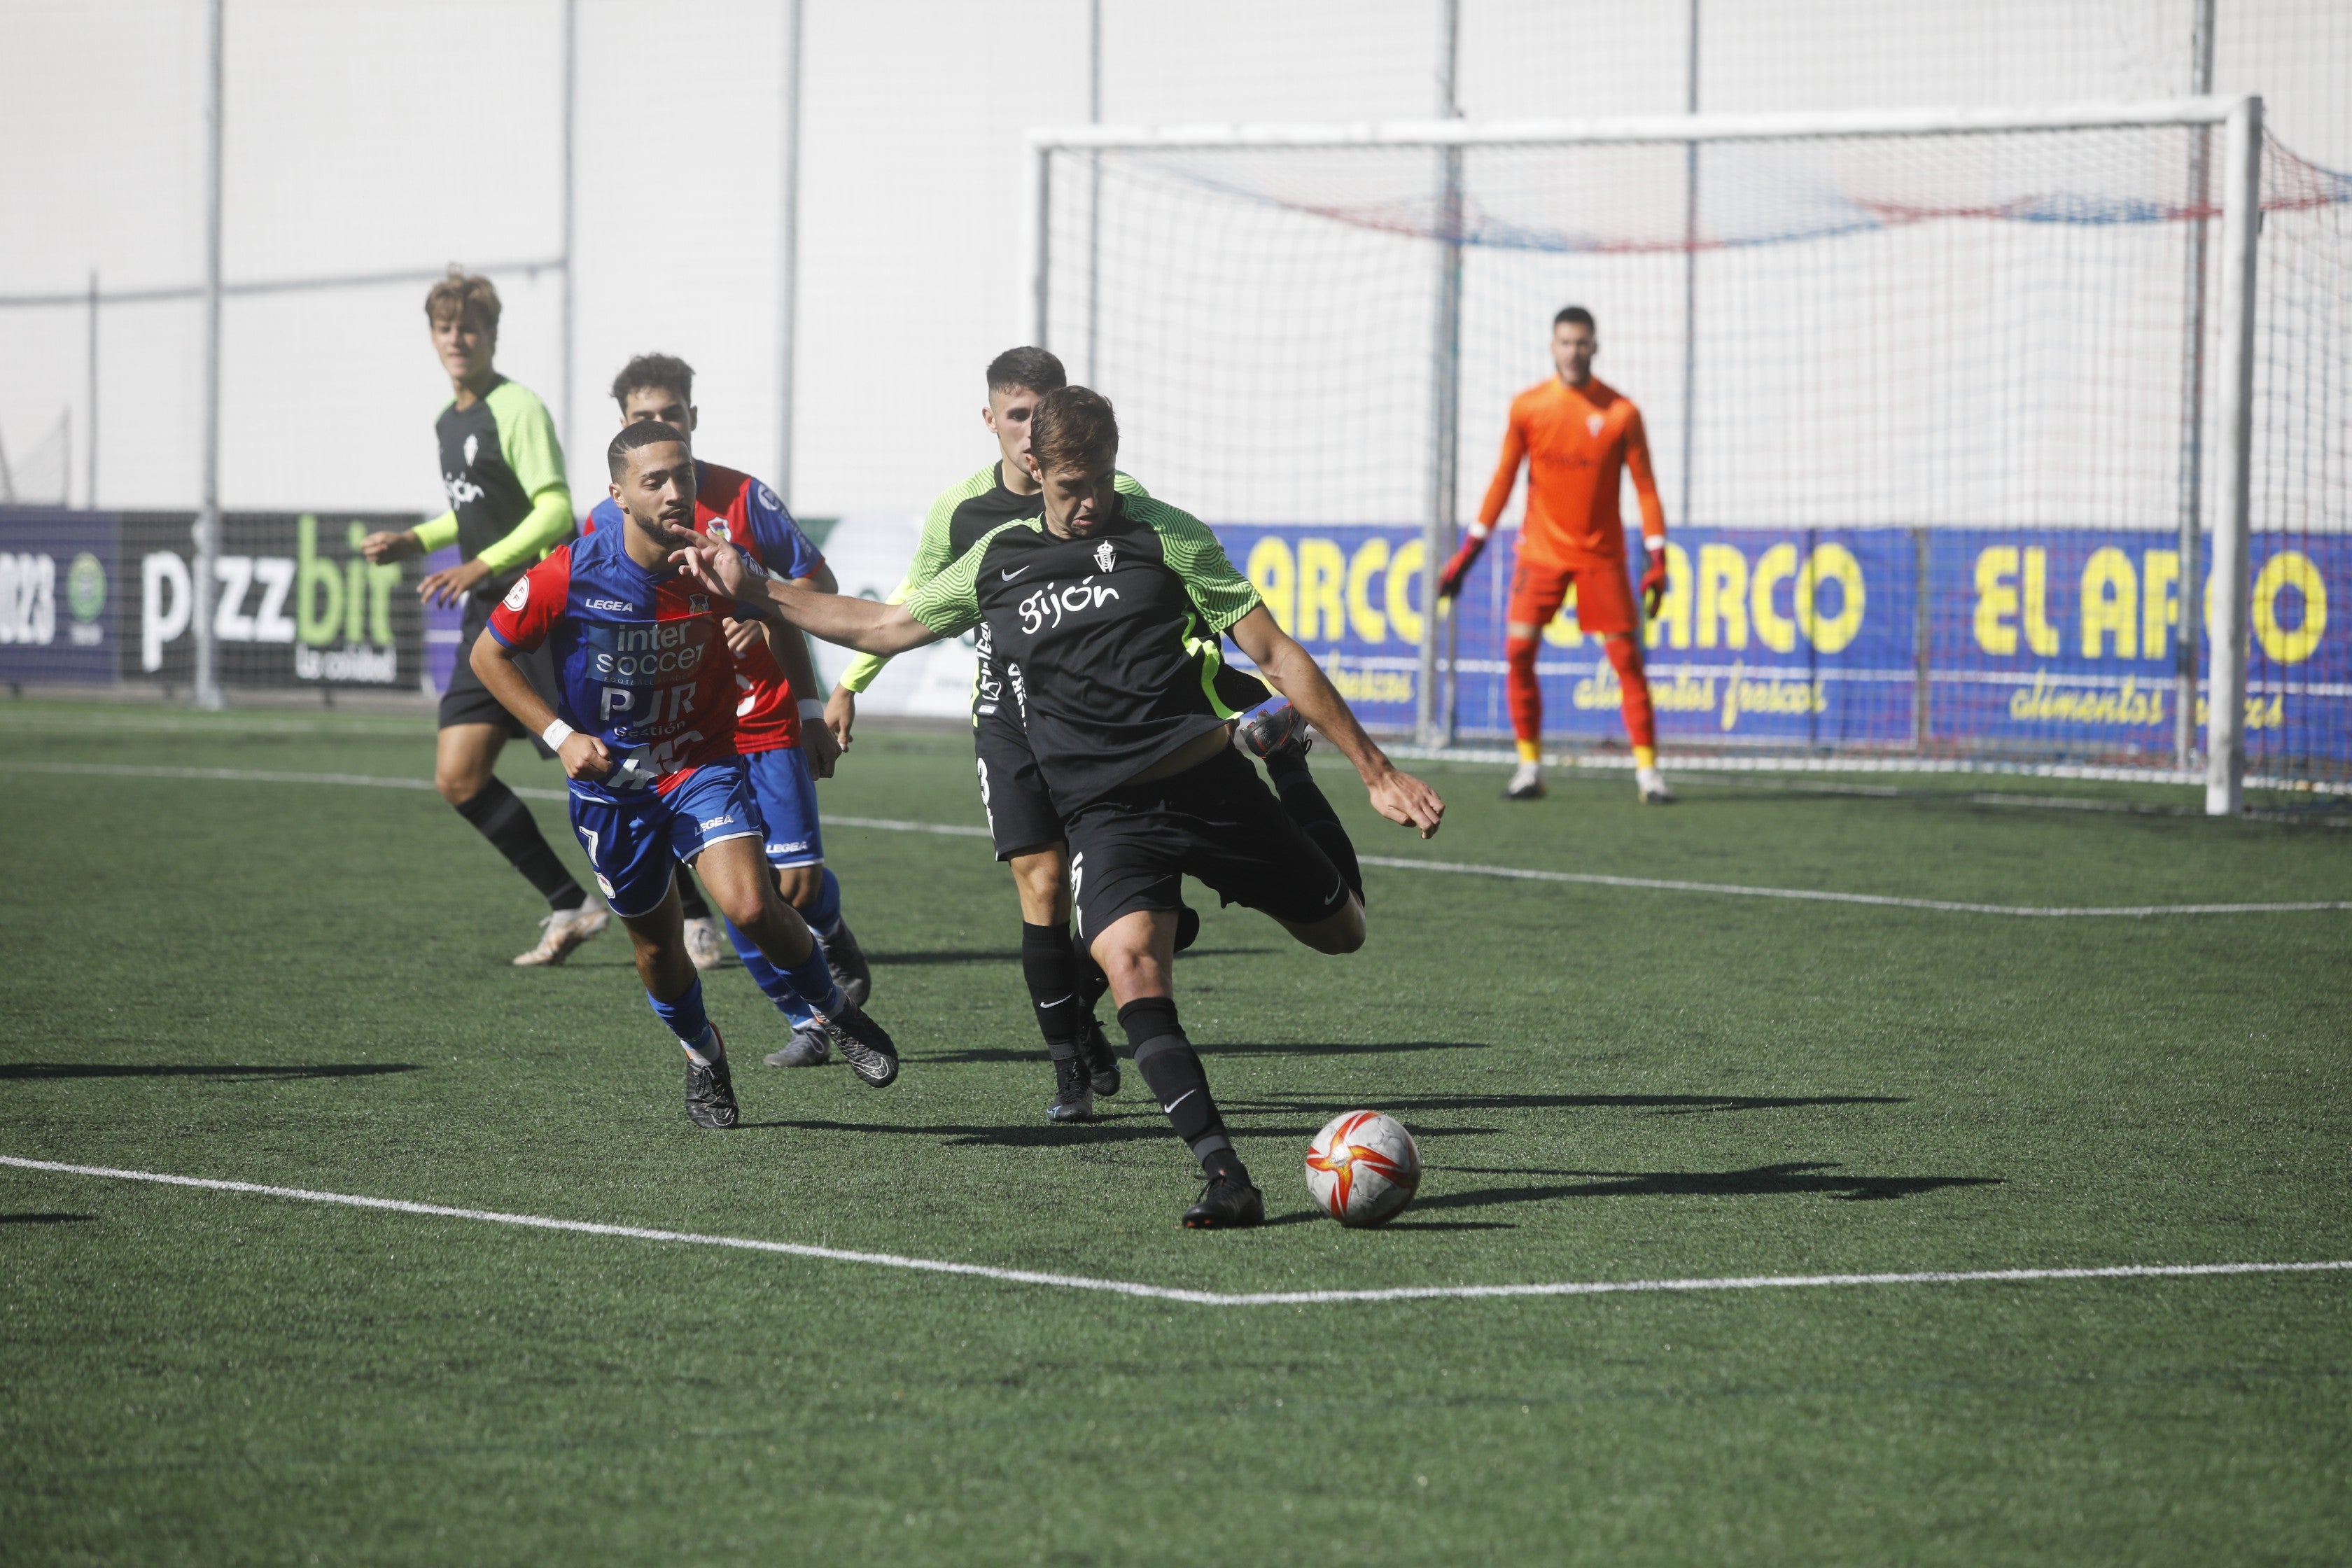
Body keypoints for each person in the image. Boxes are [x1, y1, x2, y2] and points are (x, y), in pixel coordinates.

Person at [681, 386, 1444, 1227]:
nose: (1087, 505)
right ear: (1034, 468)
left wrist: (1374, 769)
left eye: (1101, 483)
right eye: (1069, 486)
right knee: (1130, 968)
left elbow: (1273, 650)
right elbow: (884, 626)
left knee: (1345, 933)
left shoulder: (1166, 533)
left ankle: (1287, 765)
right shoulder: (998, 558)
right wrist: (754, 587)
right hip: (1108, 817)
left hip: (1212, 788)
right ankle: (1226, 1174)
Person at [825, 347, 1334, 1124]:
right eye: (1018, 415)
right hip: (1009, 715)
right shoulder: (961, 514)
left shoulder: (1115, 497)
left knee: (1118, 889)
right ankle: (1068, 1062)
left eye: (1044, 412)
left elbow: (1161, 602)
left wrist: (1226, 678)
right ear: (992, 420)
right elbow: (904, 607)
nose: (1032, 432)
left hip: (1099, 721)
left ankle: (1087, 1003)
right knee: (1041, 883)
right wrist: (848, 685)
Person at [471, 419, 901, 1128]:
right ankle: (705, 1058)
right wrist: (560, 733)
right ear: (618, 494)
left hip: (700, 762)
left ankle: (834, 1012)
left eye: (684, 475)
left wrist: (803, 700)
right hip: (613, 788)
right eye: (655, 481)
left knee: (755, 905)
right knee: (655, 943)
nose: (676, 492)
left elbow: (782, 611)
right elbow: (491, 655)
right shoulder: (571, 570)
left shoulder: (714, 559)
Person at [593, 355, 869, 1067]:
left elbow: (816, 581)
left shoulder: (743, 497)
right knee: (744, 893)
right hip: (691, 730)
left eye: (671, 413)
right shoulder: (606, 517)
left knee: (795, 885)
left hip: (764, 705)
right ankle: (806, 1017)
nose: (658, 426)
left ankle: (831, 930)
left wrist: (759, 605)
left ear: (692, 415)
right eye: (640, 419)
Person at [360, 267, 608, 965]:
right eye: (445, 327)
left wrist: (479, 563)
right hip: (486, 622)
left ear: (492, 334)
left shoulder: (517, 407)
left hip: (540, 612)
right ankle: (572, 903)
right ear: (434, 337)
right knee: (459, 777)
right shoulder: (450, 422)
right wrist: (419, 541)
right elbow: (472, 510)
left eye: (469, 326)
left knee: (604, 767)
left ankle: (695, 915)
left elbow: (556, 508)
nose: (456, 338)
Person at [1438, 306, 1674, 804]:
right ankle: (1529, 769)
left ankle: (1649, 776)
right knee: (1518, 652)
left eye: (1582, 342)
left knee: (1627, 661)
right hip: (1541, 553)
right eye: (1565, 342)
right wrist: (1469, 552)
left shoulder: (1620, 412)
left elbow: (1647, 488)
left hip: (1602, 556)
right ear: (1553, 346)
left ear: (1595, 346)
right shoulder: (1529, 407)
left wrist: (1659, 557)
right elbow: (1503, 479)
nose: (1574, 351)